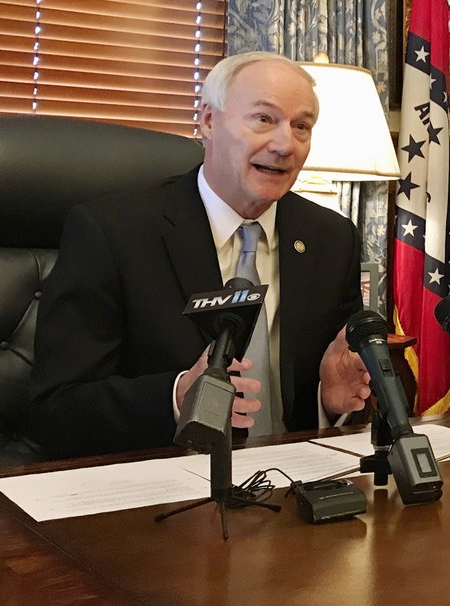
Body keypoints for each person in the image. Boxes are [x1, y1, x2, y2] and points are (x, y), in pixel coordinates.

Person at [28, 51, 371, 458]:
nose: (284, 145)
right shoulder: (113, 233)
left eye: (301, 127)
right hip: (165, 488)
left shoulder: (331, 238)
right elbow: (55, 408)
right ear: (208, 120)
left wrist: (329, 403)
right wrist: (176, 399)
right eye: (264, 119)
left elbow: (337, 394)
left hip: (294, 486)